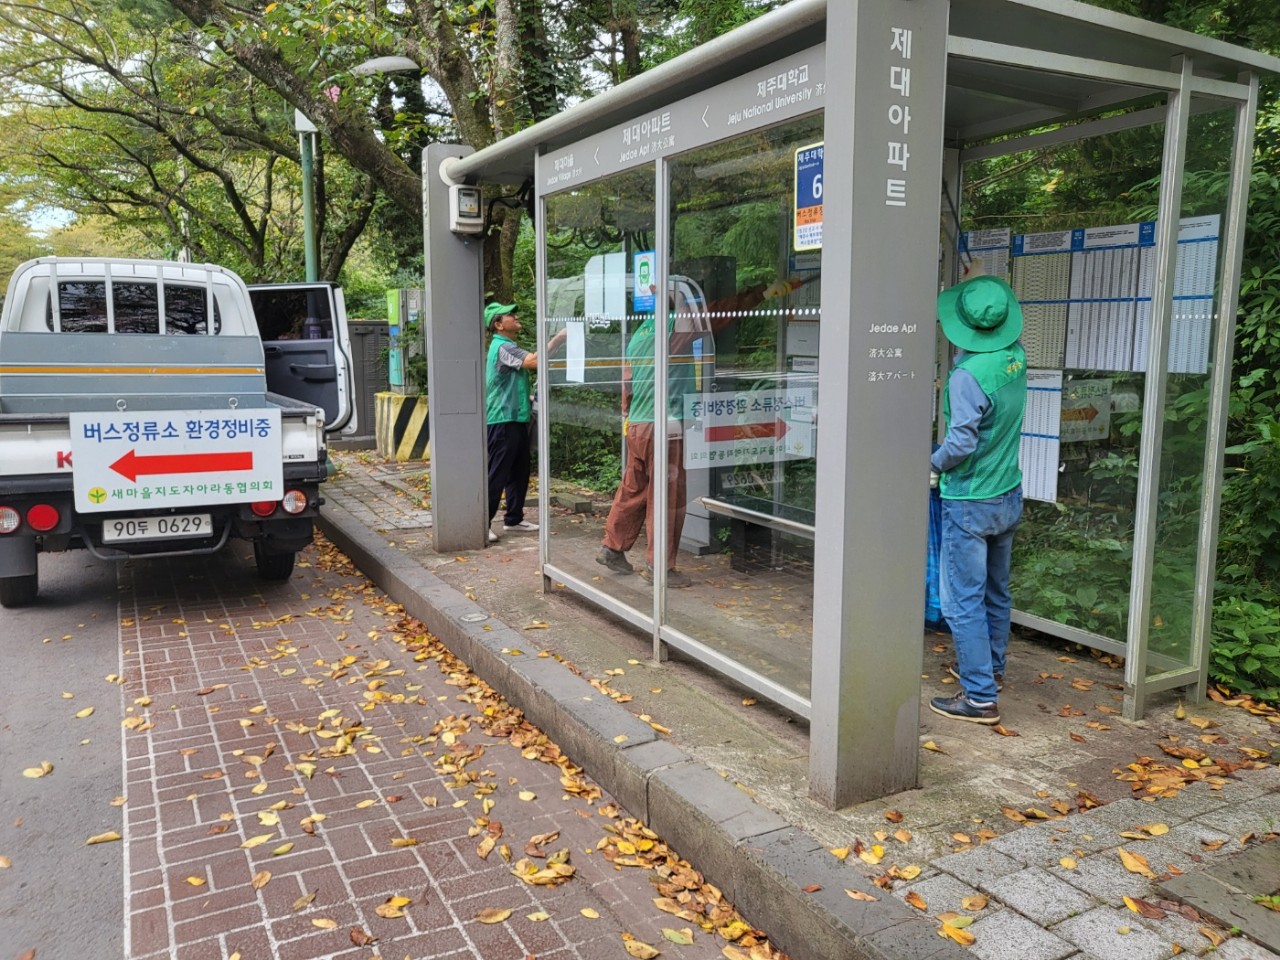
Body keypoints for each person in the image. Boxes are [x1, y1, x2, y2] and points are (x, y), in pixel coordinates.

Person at [928, 273, 1027, 726]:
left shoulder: (967, 376)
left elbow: (961, 443)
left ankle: (980, 696)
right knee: (995, 591)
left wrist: (930, 463)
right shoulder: (1015, 359)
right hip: (1007, 492)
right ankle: (991, 668)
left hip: (969, 499)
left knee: (961, 600)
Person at [484, 302, 566, 543]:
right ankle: (482, 523)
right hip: (502, 419)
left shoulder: (508, 346)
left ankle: (514, 518)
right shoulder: (502, 346)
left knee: (519, 470)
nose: (516, 316)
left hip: (516, 417)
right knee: (497, 473)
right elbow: (534, 362)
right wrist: (559, 338)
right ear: (498, 324)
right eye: (510, 315)